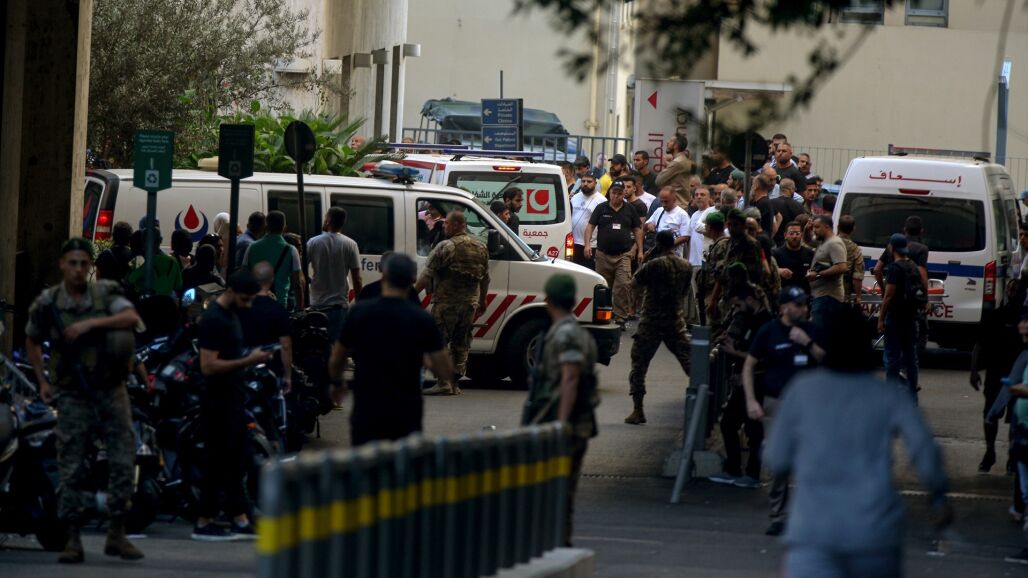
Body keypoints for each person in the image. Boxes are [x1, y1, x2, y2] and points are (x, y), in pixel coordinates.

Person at [765, 305, 951, 577]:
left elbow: (776, 457)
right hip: (875, 534)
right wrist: (938, 497)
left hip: (813, 532)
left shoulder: (802, 391)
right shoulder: (888, 395)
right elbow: (924, 450)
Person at [24, 238, 145, 563]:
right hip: (73, 394)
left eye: (84, 263)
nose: (78, 269)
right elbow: (32, 339)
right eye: (73, 263)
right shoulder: (50, 302)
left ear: (90, 266)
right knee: (71, 464)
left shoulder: (105, 294)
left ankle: (116, 533)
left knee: (123, 459)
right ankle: (73, 538)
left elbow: (130, 317)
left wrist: (91, 323)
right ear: (62, 264)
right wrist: (42, 381)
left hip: (110, 390)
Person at [329, 253, 453, 445]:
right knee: (401, 460)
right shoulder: (422, 319)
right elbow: (444, 370)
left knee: (367, 460)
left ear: (384, 275)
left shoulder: (359, 313)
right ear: (411, 280)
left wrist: (337, 383)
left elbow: (338, 357)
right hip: (406, 413)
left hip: (367, 408)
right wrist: (424, 359)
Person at [192, 269, 272, 541]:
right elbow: (208, 365)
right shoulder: (215, 319)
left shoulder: (231, 315)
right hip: (218, 400)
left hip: (232, 397)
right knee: (218, 460)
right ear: (232, 292)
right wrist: (248, 361)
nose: (248, 305)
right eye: (246, 299)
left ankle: (239, 518)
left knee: (235, 458)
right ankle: (204, 521)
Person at [521, 273, 598, 546]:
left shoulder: (565, 334)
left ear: (549, 301)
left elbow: (570, 377)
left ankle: (556, 544)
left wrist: (560, 424)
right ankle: (556, 542)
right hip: (571, 422)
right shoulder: (575, 332)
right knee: (560, 491)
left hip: (565, 424)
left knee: (557, 491)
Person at [742, 285, 826, 536]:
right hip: (777, 402)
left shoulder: (812, 331)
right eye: (797, 305)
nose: (803, 309)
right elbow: (749, 365)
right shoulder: (769, 331)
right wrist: (751, 401)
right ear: (783, 308)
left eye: (804, 304)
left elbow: (827, 361)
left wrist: (807, 342)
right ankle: (778, 514)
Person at [708, 261, 772, 488]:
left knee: (746, 428)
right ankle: (737, 469)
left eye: (738, 304)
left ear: (749, 300)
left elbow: (761, 357)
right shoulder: (752, 318)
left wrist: (735, 351)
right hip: (747, 379)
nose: (737, 309)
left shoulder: (763, 324)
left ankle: (748, 473)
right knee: (738, 425)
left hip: (755, 380)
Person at [415, 210, 491, 396]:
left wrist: (410, 294)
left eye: (447, 223)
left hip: (446, 304)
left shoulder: (445, 247)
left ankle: (443, 382)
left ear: (457, 225)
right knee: (461, 343)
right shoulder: (481, 247)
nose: (444, 226)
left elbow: (426, 275)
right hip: (469, 305)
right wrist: (482, 300)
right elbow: (485, 278)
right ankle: (454, 383)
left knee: (439, 342)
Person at [623, 231, 692, 424]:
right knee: (690, 362)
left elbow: (633, 284)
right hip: (675, 320)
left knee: (639, 365)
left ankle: (638, 410)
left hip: (651, 321)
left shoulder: (654, 264)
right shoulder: (685, 266)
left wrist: (647, 257)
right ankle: (704, 399)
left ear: (658, 244)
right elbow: (685, 292)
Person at [970, 280, 1025, 473]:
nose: (1014, 293)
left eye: (1017, 290)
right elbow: (979, 344)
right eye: (1012, 289)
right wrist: (974, 370)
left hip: (1016, 377)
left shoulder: (1022, 318)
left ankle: (1010, 456)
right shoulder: (996, 316)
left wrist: (974, 370)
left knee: (1014, 418)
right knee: (992, 415)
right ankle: (991, 452)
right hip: (997, 375)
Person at [585, 181, 642, 327]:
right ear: (609, 193)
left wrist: (639, 250)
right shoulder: (601, 208)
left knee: (623, 285)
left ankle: (621, 317)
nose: (616, 196)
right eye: (613, 193)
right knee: (603, 286)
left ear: (624, 194)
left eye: (619, 193)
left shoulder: (630, 209)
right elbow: (590, 226)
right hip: (603, 255)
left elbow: (637, 230)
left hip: (623, 255)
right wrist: (587, 245)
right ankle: (601, 314)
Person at [878, 233, 925, 401]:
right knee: (911, 358)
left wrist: (881, 318)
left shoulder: (895, 268)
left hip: (896, 317)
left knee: (892, 357)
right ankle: (912, 396)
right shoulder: (912, 265)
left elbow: (888, 296)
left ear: (892, 248)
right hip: (911, 317)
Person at [237, 261, 294, 394]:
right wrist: (288, 375)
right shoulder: (278, 310)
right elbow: (285, 345)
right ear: (271, 280)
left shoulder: (240, 307)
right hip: (270, 371)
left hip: (243, 367)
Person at [307, 207, 363, 340]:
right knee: (336, 344)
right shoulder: (351, 244)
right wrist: (359, 305)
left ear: (328, 221)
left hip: (316, 305)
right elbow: (357, 279)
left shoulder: (313, 242)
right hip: (339, 306)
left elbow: (301, 271)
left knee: (317, 344)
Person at [242, 210, 304, 310]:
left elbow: (244, 275)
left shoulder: (251, 247)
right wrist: (300, 309)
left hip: (255, 305)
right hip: (280, 305)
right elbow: (298, 284)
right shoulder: (291, 250)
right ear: (284, 227)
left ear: (266, 226)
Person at [805, 215, 848, 330]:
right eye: (813, 227)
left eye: (817, 227)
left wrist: (818, 274)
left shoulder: (834, 243)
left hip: (828, 297)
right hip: (820, 296)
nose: (814, 230)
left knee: (819, 334)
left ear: (827, 227)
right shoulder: (822, 241)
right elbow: (807, 240)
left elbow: (842, 267)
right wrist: (807, 229)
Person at [126, 227, 184, 298]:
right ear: (160, 240)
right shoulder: (173, 261)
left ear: (143, 242)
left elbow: (129, 280)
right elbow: (179, 285)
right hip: (167, 301)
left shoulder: (141, 261)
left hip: (148, 301)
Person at [569, 174, 604, 269]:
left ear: (595, 183)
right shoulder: (574, 198)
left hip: (590, 245)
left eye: (589, 182)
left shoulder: (602, 201)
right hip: (573, 242)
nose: (585, 184)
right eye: (583, 181)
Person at [644, 186, 690, 258]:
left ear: (674, 200)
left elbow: (685, 237)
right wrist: (649, 225)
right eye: (662, 201)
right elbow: (645, 226)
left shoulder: (682, 214)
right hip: (657, 253)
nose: (664, 204)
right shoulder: (659, 211)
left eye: (666, 201)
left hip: (674, 255)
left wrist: (667, 245)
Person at [772, 222, 815, 294]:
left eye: (797, 233)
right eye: (791, 233)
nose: (794, 236)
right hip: (783, 294)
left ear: (801, 235)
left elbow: (817, 270)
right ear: (785, 235)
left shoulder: (810, 253)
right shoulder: (776, 253)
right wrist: (779, 271)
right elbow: (767, 270)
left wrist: (813, 273)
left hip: (805, 294)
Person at [655, 134, 694, 209]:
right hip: (679, 204)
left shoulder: (677, 162)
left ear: (676, 145)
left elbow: (658, 181)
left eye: (670, 141)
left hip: (677, 205)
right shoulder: (682, 160)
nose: (667, 143)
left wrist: (667, 165)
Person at [837, 215, 865, 305]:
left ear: (838, 227)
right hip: (843, 293)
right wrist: (858, 296)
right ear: (853, 229)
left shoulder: (829, 243)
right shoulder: (854, 249)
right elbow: (857, 276)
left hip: (825, 291)